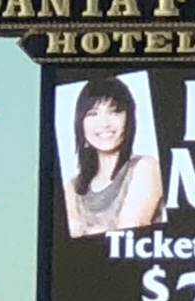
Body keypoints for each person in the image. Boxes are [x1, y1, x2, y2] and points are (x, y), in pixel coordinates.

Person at [63, 76, 163, 238]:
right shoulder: (73, 187)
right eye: (93, 113)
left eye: (114, 111)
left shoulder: (146, 167)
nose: (104, 123)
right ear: (80, 123)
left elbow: (127, 232)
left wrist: (85, 231)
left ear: (128, 119)